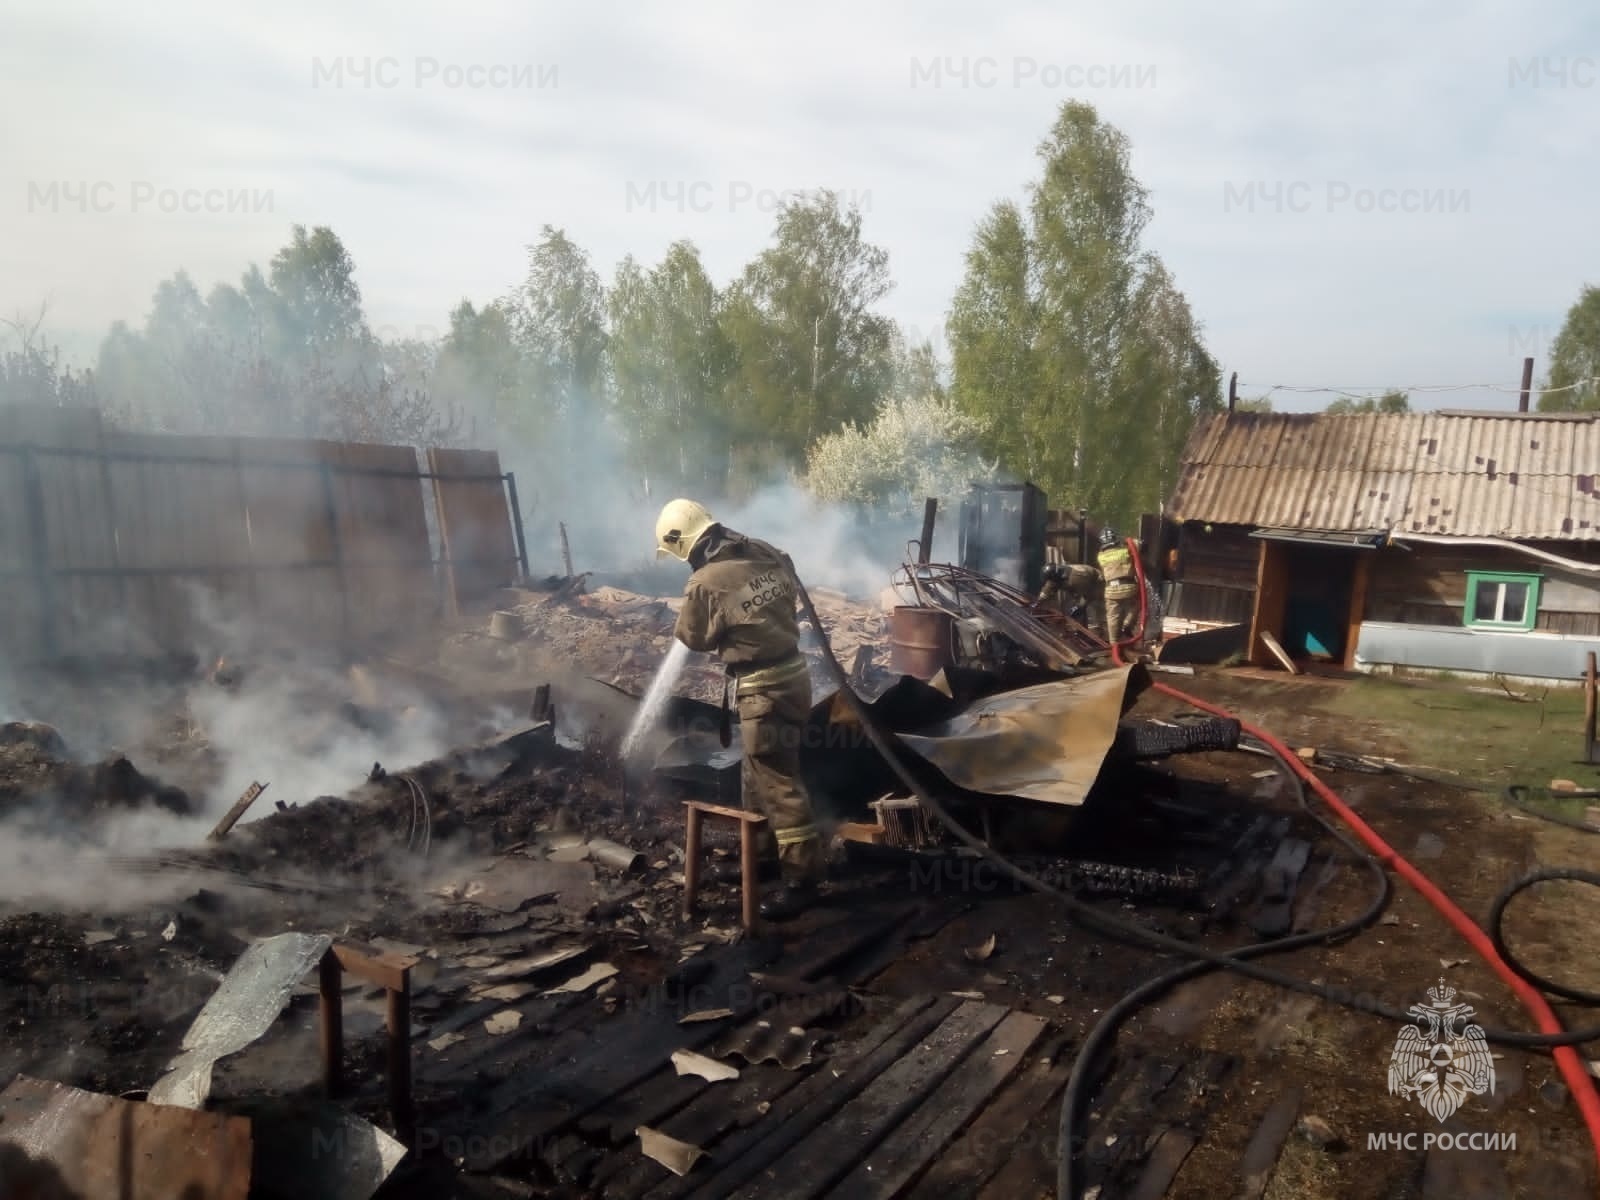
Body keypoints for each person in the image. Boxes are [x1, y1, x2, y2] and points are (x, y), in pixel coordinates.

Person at [655, 498, 824, 921]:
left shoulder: (706, 582)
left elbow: (693, 638)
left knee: (778, 781)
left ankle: (802, 881)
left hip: (766, 690)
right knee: (754, 774)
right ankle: (762, 859)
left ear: (684, 546)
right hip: (788, 678)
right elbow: (789, 584)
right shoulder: (766, 551)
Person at [1097, 526, 1141, 646]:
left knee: (1112, 616)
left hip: (1111, 590)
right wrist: (1131, 541)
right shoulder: (1125, 551)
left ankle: (1113, 643)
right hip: (1129, 587)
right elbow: (1139, 545)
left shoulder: (1101, 556)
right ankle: (1127, 626)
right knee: (1137, 604)